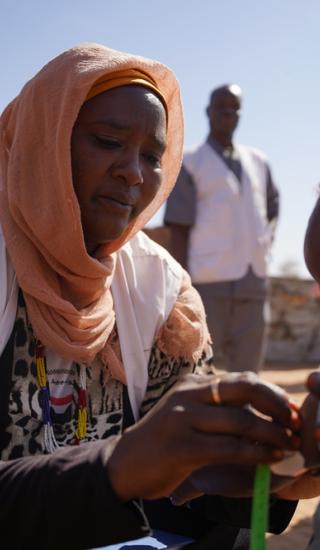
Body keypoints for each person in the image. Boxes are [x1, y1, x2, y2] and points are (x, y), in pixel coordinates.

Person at [0, 44, 319, 550]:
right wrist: (115, 466)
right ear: (44, 141)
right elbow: (131, 469)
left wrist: (286, 471)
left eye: (153, 156)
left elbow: (178, 464)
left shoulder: (154, 284)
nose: (134, 172)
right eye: (107, 141)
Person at [164, 84, 279, 373]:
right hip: (208, 282)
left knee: (249, 371)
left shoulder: (259, 162)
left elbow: (273, 206)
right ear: (208, 112)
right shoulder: (190, 162)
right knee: (207, 370)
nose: (228, 112)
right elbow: (178, 227)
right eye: (221, 107)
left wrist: (266, 242)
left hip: (254, 282)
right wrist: (181, 287)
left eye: (235, 107)